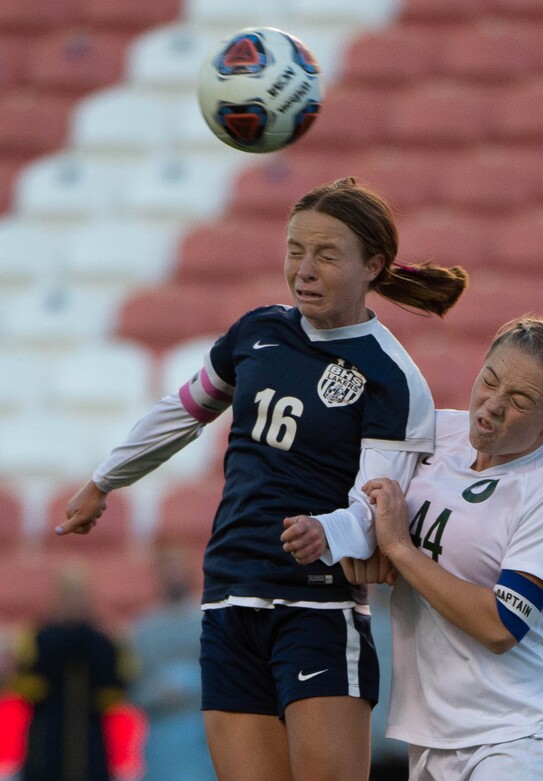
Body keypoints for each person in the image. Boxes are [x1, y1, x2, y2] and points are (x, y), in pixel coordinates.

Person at [55, 177, 468, 781]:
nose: (304, 268)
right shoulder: (258, 332)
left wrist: (327, 532)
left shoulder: (393, 380)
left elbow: (377, 509)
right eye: (295, 249)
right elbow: (183, 410)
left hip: (318, 607)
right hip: (229, 597)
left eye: (326, 255)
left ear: (372, 265)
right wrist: (104, 480)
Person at [347, 316, 543, 781]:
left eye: (520, 401)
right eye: (488, 380)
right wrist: (364, 544)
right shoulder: (436, 433)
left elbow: (499, 625)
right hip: (431, 740)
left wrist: (400, 550)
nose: (491, 406)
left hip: (518, 744)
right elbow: (364, 516)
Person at [10, 563, 128, 781]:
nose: (75, 601)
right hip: (45, 744)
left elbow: (114, 694)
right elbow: (25, 688)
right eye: (69, 594)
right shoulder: (39, 636)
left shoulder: (103, 641)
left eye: (80, 594)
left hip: (91, 746)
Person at [128, 544, 216, 781]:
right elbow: (134, 690)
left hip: (204, 733)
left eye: (177, 567)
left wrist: (191, 683)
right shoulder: (144, 627)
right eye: (166, 568)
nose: (172, 574)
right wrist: (159, 692)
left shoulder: (209, 618)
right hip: (161, 736)